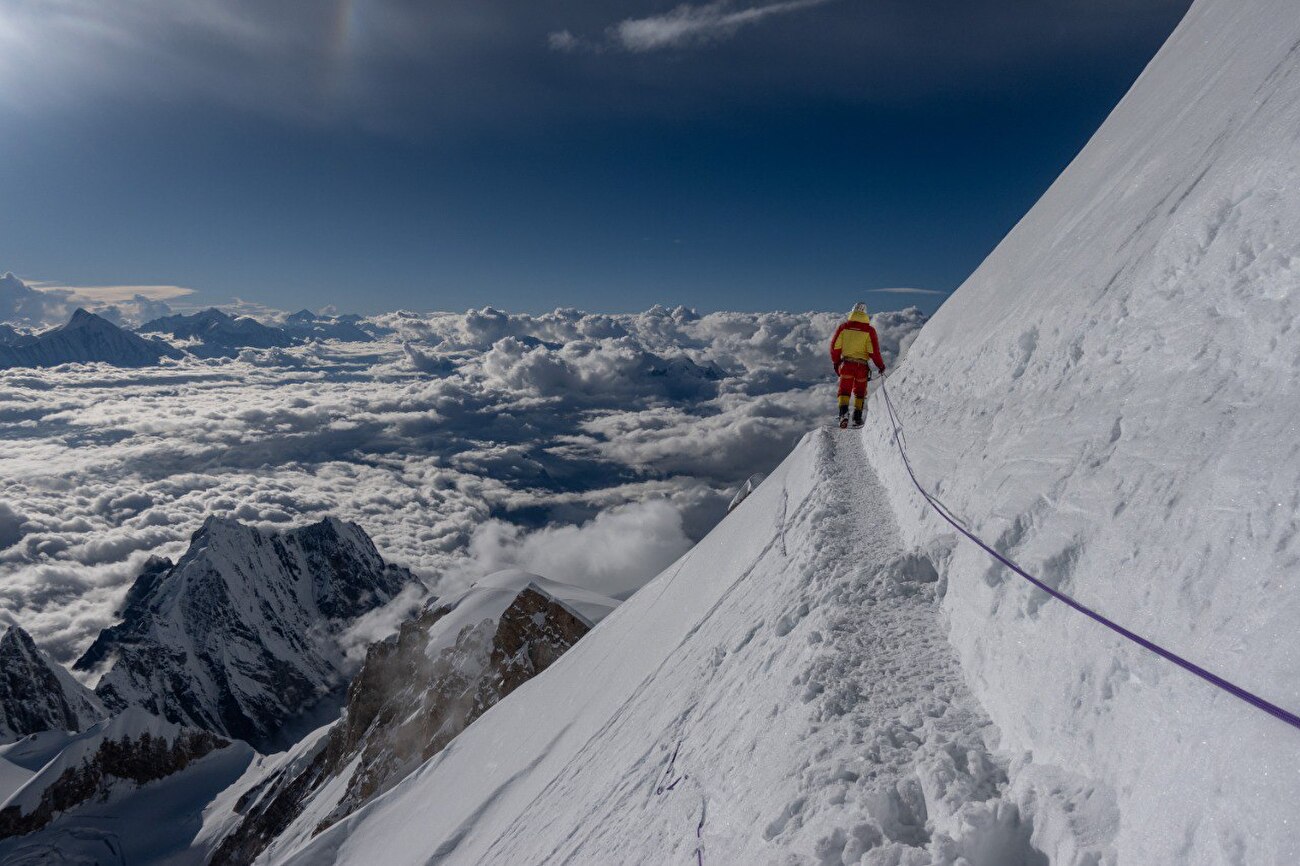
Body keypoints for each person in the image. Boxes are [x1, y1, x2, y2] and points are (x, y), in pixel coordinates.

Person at [829, 302, 887, 428]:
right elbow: (874, 352)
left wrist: (836, 362)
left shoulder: (843, 328)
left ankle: (843, 414)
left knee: (844, 390)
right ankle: (857, 418)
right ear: (865, 313)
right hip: (862, 367)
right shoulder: (869, 331)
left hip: (846, 364)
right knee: (860, 392)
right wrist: (880, 366)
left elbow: (835, 347)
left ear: (852, 311)